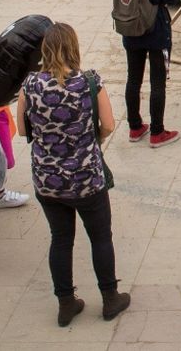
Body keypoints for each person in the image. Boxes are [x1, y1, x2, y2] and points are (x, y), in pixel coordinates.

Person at [22, 23, 132, 324]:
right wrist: (89, 140)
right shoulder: (89, 82)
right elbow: (108, 125)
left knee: (60, 239)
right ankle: (110, 298)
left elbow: (23, 129)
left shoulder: (30, 84)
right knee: (100, 237)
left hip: (47, 178)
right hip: (85, 176)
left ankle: (66, 303)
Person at [113, 0, 181, 147]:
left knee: (133, 79)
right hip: (155, 29)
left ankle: (134, 126)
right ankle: (157, 131)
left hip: (130, 27)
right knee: (158, 82)